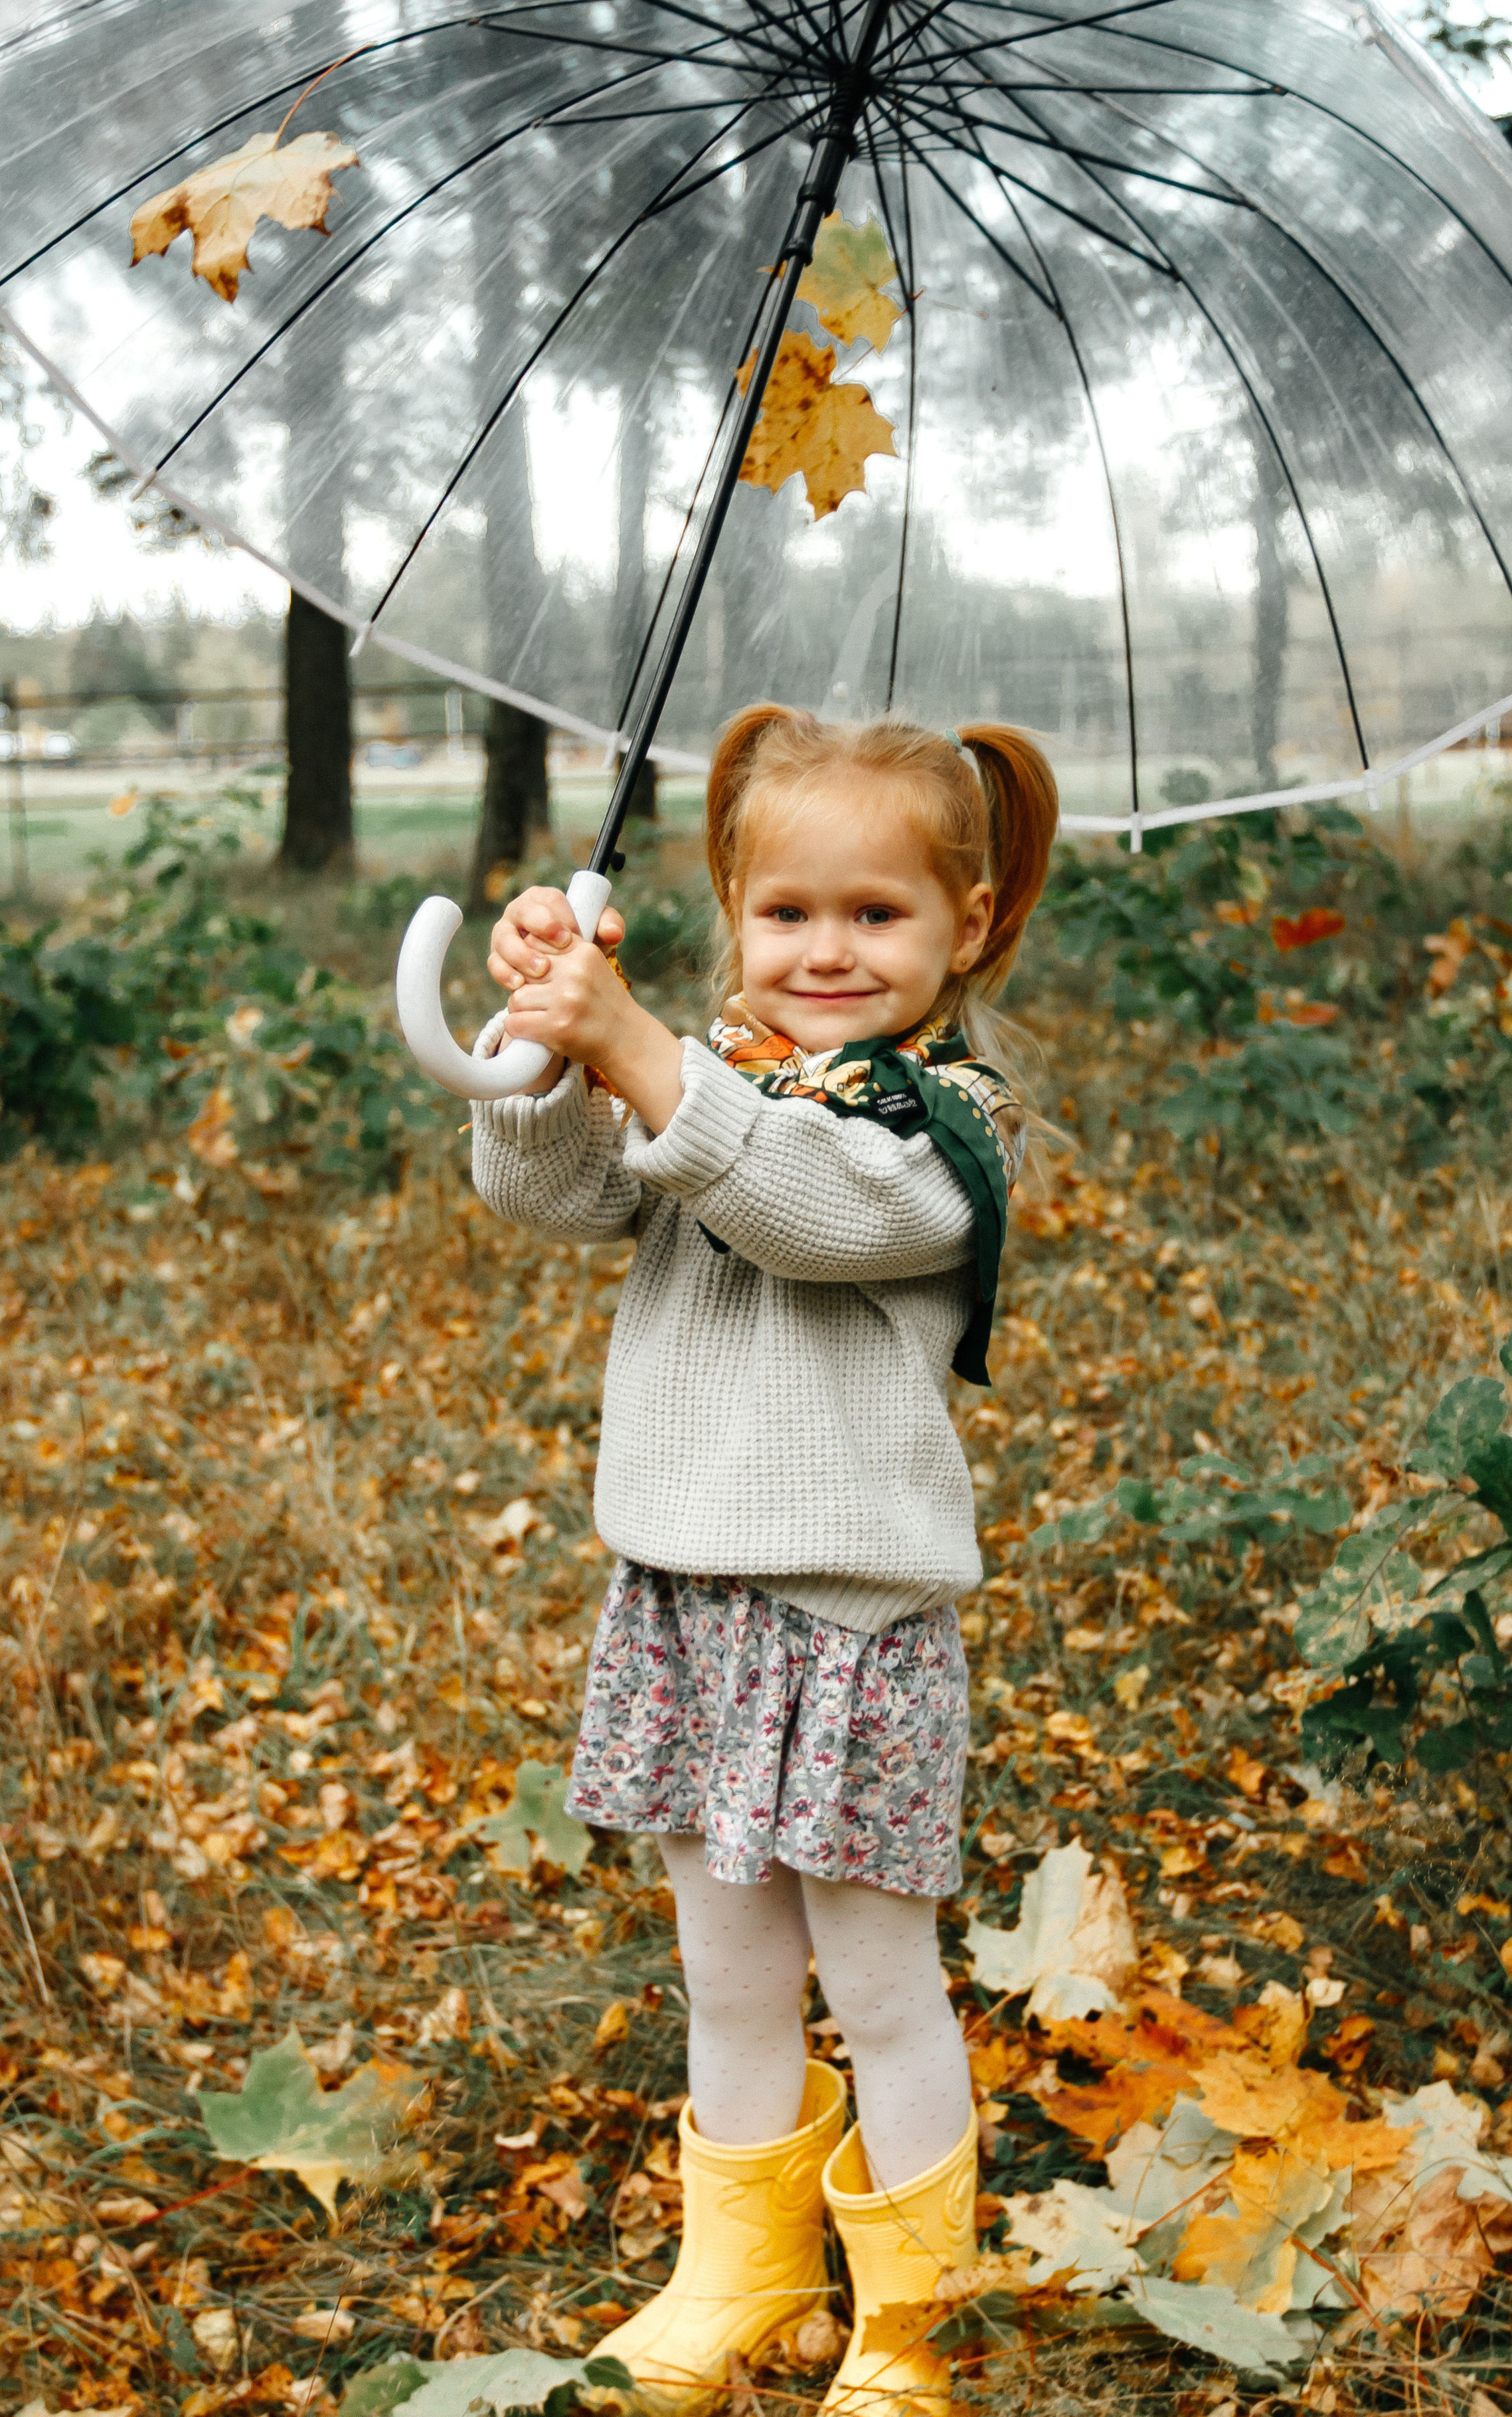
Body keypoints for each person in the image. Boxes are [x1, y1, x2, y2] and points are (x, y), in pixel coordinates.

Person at [471, 704, 1060, 2417]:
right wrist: (550, 1034)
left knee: (878, 1981)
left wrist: (653, 1055)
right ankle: (742, 2269)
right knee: (726, 1973)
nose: (825, 948)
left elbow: (812, 1208)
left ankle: (917, 2310)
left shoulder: (944, 1123)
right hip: (686, 1598)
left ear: (969, 927)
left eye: (877, 914)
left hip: (852, 1625)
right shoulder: (720, 1079)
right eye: (787, 911)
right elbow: (557, 1196)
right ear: (733, 909)